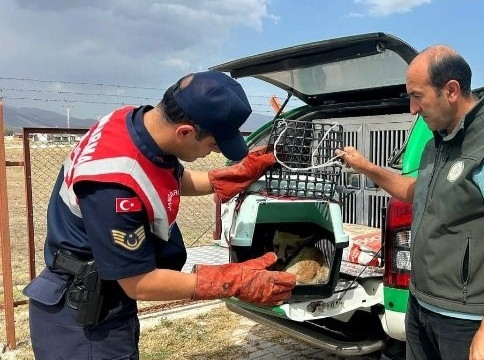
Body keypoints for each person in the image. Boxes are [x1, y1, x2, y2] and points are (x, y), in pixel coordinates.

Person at [22, 70, 296, 360]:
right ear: (185, 132)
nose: (213, 152)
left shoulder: (133, 123)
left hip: (103, 300)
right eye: (213, 145)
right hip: (84, 321)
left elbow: (167, 177)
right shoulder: (114, 186)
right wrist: (232, 281)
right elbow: (139, 282)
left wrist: (230, 177)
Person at [336, 46, 484, 360]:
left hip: (464, 318)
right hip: (421, 303)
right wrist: (366, 167)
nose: (412, 108)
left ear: (451, 90)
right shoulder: (438, 141)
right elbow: (417, 191)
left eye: (417, 96)